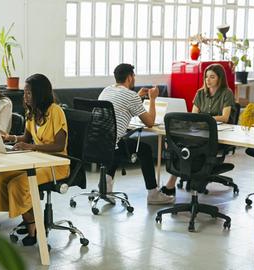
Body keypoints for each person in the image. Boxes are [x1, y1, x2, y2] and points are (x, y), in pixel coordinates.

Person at [0, 73, 70, 246]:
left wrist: (32, 147)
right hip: (38, 160)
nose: (25, 96)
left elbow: (59, 145)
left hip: (56, 164)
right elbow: (26, 138)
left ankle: (33, 227)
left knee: (19, 184)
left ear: (40, 93)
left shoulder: (55, 111)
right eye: (25, 92)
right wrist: (10, 138)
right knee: (1, 178)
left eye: (29, 92)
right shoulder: (32, 112)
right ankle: (28, 218)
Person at [98, 63, 175, 205]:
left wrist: (137, 97)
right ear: (129, 77)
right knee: (144, 149)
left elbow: (121, 106)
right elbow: (150, 122)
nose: (134, 79)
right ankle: (153, 194)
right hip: (113, 145)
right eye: (133, 76)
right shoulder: (130, 95)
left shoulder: (106, 90)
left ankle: (107, 183)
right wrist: (152, 99)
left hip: (100, 142)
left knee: (118, 140)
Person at [161, 63, 235, 196]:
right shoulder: (200, 93)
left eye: (212, 77)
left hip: (217, 133)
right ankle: (173, 181)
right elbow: (193, 115)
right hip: (198, 131)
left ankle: (185, 180)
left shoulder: (226, 93)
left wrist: (207, 120)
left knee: (191, 147)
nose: (208, 80)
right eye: (206, 77)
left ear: (220, 78)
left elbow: (224, 117)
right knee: (181, 145)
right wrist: (201, 121)